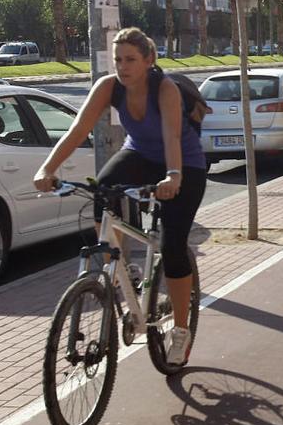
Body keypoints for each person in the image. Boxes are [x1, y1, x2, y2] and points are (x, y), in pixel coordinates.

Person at [34, 27, 206, 365]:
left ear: (148, 60)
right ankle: (122, 266)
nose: (122, 67)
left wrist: (173, 176)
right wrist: (47, 169)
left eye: (130, 59)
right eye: (117, 59)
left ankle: (181, 332)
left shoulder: (165, 89)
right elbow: (78, 129)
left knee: (172, 247)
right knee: (102, 188)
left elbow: (172, 138)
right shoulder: (109, 87)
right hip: (139, 154)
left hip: (184, 163)